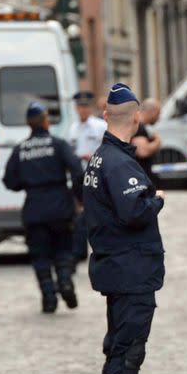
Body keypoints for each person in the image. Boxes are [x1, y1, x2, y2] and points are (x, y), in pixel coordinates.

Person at [83, 83, 164, 374]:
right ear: (136, 118)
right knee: (127, 354)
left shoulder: (101, 157)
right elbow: (134, 211)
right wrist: (156, 200)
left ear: (104, 116)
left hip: (116, 267)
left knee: (119, 351)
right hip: (130, 269)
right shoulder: (118, 163)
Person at [3, 102, 84, 313]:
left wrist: (28, 182)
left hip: (34, 208)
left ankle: (48, 297)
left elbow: (9, 181)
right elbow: (76, 170)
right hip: (60, 206)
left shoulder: (21, 149)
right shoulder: (58, 144)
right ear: (46, 121)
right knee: (63, 249)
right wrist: (79, 197)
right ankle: (65, 282)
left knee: (40, 256)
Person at [68, 91, 107, 264]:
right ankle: (80, 251)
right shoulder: (72, 129)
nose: (83, 110)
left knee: (98, 213)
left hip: (97, 173)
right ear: (76, 108)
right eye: (80, 107)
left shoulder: (100, 126)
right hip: (78, 175)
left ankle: (101, 248)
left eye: (86, 106)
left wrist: (92, 156)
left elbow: (107, 149)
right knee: (80, 215)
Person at [131, 98, 162, 179]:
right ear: (153, 112)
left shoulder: (138, 125)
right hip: (140, 177)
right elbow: (143, 151)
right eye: (158, 113)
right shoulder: (139, 127)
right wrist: (157, 142)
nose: (159, 118)